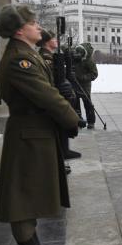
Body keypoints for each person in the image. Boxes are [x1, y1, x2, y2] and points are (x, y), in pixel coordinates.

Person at [0, 4, 81, 245]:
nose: (38, 28)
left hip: (33, 132)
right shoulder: (21, 60)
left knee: (28, 195)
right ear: (21, 30)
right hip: (28, 135)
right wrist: (71, 119)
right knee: (22, 198)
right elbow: (46, 96)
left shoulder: (25, 55)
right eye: (33, 23)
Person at [38, 30, 81, 162]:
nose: (56, 40)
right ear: (47, 42)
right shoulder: (46, 58)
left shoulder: (51, 56)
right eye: (53, 38)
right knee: (60, 124)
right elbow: (52, 79)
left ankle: (64, 150)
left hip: (57, 95)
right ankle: (62, 153)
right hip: (54, 98)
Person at [72, 42, 98, 129]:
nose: (77, 55)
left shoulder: (89, 61)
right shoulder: (74, 59)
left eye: (79, 54)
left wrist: (82, 77)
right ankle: (79, 120)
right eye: (76, 53)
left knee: (88, 104)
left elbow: (94, 74)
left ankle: (91, 121)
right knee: (75, 103)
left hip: (85, 86)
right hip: (74, 84)